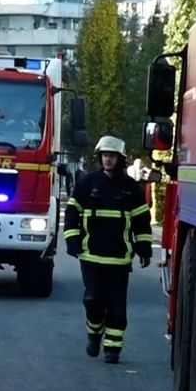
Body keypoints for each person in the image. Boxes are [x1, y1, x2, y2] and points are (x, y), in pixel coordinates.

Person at [63, 135, 153, 364]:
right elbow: (72, 213)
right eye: (105, 155)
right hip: (91, 255)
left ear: (120, 159)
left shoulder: (130, 188)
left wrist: (144, 248)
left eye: (112, 156)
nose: (108, 160)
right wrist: (72, 240)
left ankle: (113, 349)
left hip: (119, 259)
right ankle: (94, 332)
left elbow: (142, 220)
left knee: (117, 309)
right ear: (100, 157)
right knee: (93, 300)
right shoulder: (87, 183)